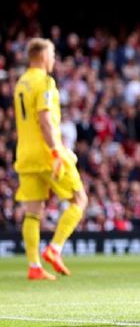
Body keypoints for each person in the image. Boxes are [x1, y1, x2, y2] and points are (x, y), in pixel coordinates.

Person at [13, 38, 88, 280]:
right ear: (44, 56)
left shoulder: (21, 83)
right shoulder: (44, 81)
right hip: (47, 154)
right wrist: (57, 151)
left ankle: (34, 266)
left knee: (33, 211)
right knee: (79, 199)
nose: (54, 59)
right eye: (53, 54)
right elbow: (45, 120)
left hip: (25, 155)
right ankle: (55, 249)